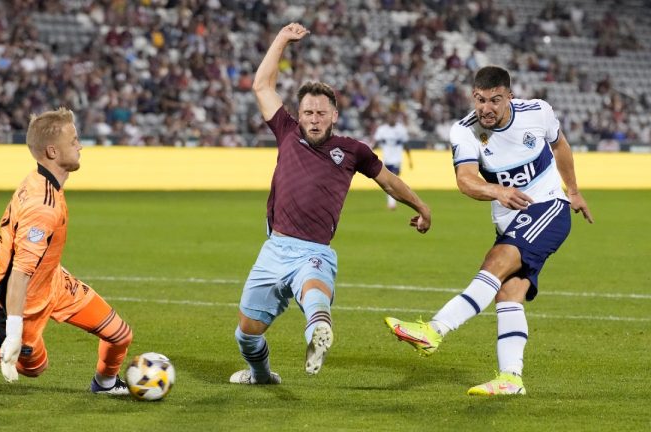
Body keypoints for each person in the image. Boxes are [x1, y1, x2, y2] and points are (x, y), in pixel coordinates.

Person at [230, 23, 431, 385]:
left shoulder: (353, 151)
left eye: (322, 113)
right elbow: (262, 85)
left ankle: (318, 333)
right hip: (275, 248)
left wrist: (420, 206)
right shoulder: (287, 132)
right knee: (246, 333)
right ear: (300, 114)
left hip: (314, 250)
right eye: (308, 112)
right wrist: (281, 40)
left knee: (314, 292)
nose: (314, 119)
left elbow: (389, 180)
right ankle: (261, 375)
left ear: (334, 116)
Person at [385, 66, 593, 396]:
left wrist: (574, 190)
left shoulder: (538, 112)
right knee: (508, 293)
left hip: (549, 206)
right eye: (480, 100)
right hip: (511, 222)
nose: (487, 108)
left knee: (496, 261)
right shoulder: (464, 131)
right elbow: (465, 180)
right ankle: (511, 378)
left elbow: (560, 146)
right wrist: (498, 191)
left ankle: (434, 330)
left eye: (495, 100)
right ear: (473, 97)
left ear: (509, 96)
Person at [0, 108, 134, 394]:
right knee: (32, 367)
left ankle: (105, 385)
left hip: (53, 280)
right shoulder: (43, 206)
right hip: (23, 301)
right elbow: (20, 273)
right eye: (74, 140)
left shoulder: (39, 180)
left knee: (119, 335)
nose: (80, 146)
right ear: (53, 151)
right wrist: (14, 330)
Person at [373, 111, 413, 209]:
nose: (392, 119)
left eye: (394, 117)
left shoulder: (401, 130)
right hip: (386, 159)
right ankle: (394, 201)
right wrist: (369, 154)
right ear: (387, 118)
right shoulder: (382, 130)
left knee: (394, 181)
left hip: (396, 160)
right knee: (387, 182)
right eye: (390, 117)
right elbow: (376, 143)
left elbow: (406, 145)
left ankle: (392, 203)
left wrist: (410, 159)